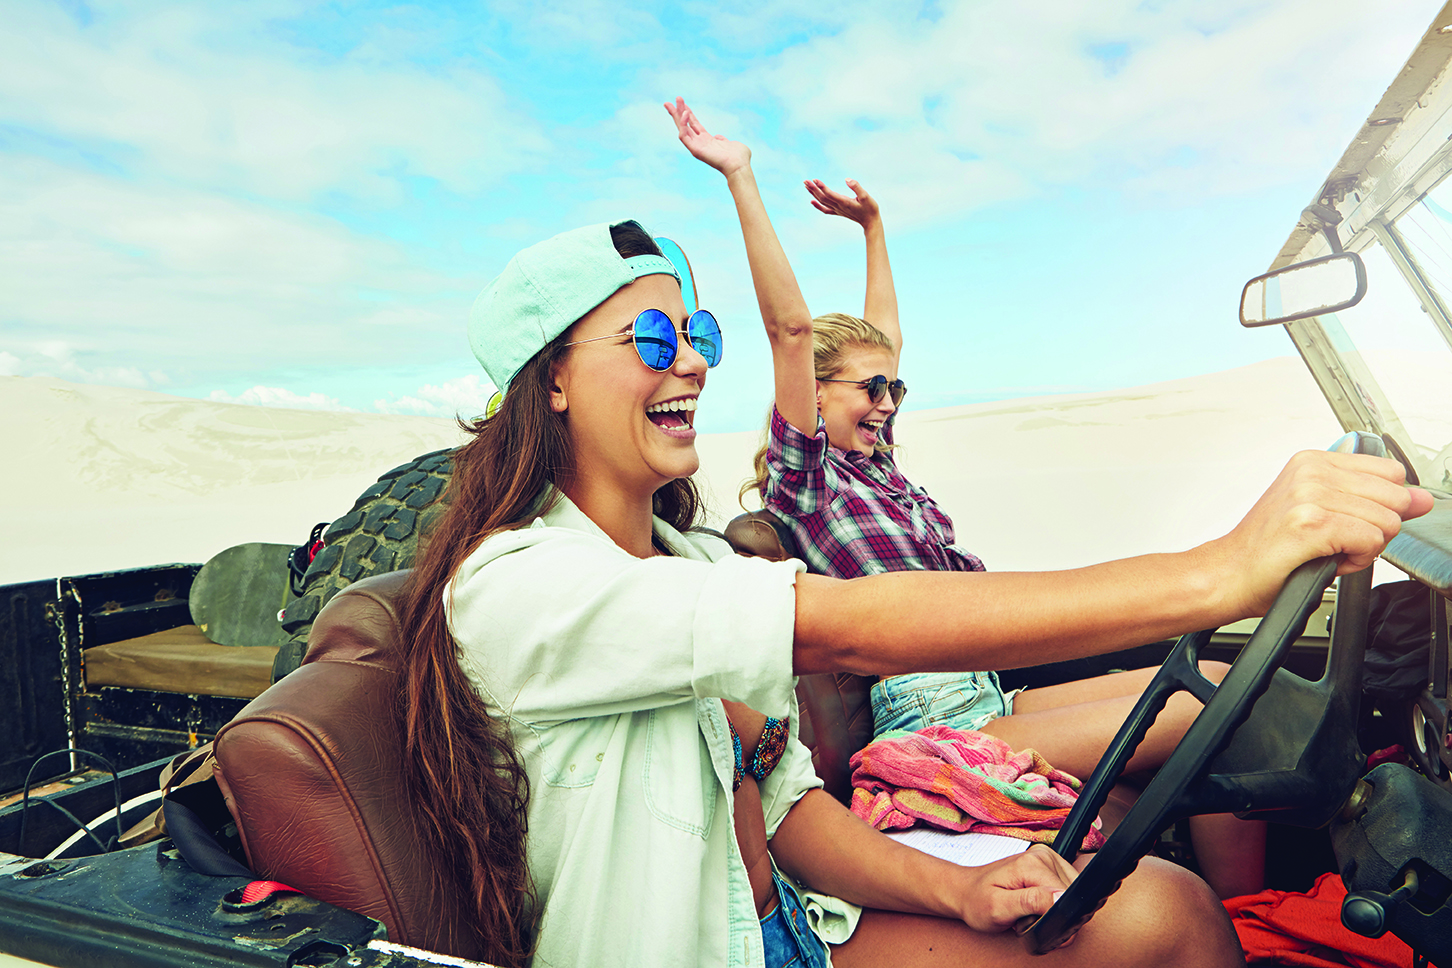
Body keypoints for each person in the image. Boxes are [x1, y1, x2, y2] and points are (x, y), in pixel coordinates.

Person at [391, 150, 1428, 968]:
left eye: (696, 331)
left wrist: (957, 890)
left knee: (1164, 906)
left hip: (796, 921)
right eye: (652, 339)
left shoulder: (690, 554)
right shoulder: (518, 583)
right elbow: (854, 621)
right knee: (1170, 912)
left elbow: (786, 799)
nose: (696, 359)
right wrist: (1215, 570)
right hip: (712, 949)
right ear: (554, 379)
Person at [665, 95, 1390, 901]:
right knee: (1204, 715)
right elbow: (791, 332)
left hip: (991, 689)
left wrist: (873, 231)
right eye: (869, 390)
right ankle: (1239, 920)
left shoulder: (883, 471)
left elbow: (885, 340)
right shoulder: (807, 484)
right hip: (935, 719)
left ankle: (1241, 918)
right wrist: (741, 177)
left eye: (895, 389)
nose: (888, 402)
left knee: (1224, 682)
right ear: (816, 396)